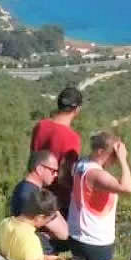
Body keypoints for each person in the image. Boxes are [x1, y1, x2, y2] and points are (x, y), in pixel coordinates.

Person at [69, 131, 131, 260]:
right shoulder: (97, 174)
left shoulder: (79, 165)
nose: (114, 158)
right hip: (97, 241)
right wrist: (123, 161)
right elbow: (127, 188)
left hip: (77, 235)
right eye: (112, 154)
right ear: (100, 151)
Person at [0, 189, 78, 260]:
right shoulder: (31, 240)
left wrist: (41, 258)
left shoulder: (6, 223)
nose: (47, 223)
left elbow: (16, 253)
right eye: (50, 219)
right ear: (39, 217)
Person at [30, 86, 85, 214]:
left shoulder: (40, 126)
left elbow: (32, 159)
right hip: (56, 203)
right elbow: (65, 178)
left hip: (35, 193)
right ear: (77, 109)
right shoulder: (72, 138)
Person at [9, 150, 70, 251]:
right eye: (53, 171)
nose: (55, 175)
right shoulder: (35, 196)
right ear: (40, 169)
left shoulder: (21, 187)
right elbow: (64, 233)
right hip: (38, 253)